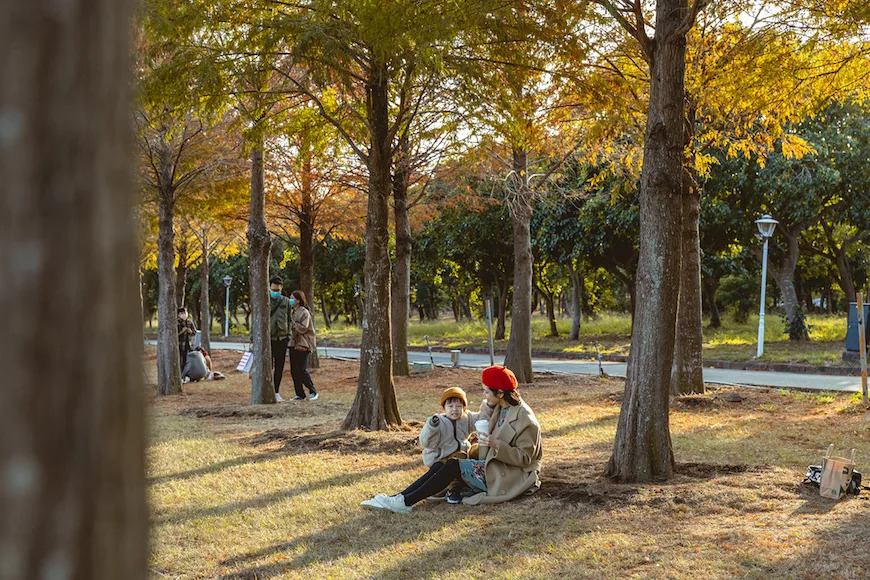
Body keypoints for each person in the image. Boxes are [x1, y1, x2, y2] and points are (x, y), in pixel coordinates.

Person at [361, 366, 542, 513]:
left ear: (501, 393)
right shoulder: (500, 406)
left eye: (487, 391)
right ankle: (399, 498)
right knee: (442, 464)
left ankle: (405, 502)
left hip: (510, 474)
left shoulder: (525, 420)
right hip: (491, 464)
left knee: (453, 465)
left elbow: (525, 458)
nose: (484, 395)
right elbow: (483, 419)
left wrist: (496, 444)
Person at [418, 386, 493, 503]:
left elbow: (481, 418)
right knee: (459, 457)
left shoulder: (466, 418)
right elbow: (425, 442)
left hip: (461, 455)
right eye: (450, 406)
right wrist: (431, 427)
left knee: (476, 450)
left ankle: (476, 479)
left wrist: (487, 406)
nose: (455, 410)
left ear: (464, 408)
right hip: (440, 459)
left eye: (459, 406)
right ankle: (453, 488)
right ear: (443, 408)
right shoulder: (438, 422)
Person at [288, 290, 318, 401]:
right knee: (293, 370)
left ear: (299, 300)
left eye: (293, 298)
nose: (291, 300)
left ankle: (312, 391)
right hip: (292, 343)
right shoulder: (291, 312)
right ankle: (299, 394)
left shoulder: (304, 312)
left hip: (303, 343)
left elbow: (303, 328)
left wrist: (293, 324)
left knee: (301, 369)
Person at [269, 276, 291, 402]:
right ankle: (268, 389)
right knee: (268, 366)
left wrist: (289, 336)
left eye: (278, 290)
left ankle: (276, 391)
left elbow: (290, 320)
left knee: (279, 367)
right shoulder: (265, 300)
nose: (275, 292)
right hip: (269, 338)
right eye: (273, 289)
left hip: (282, 339)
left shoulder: (286, 302)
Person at [177, 306, 196, 371]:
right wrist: (182, 331)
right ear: (178, 315)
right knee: (180, 361)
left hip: (188, 345)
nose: (184, 314)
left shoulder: (189, 322)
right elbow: (174, 335)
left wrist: (190, 331)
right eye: (182, 313)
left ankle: (186, 374)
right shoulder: (177, 323)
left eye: (185, 312)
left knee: (187, 361)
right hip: (179, 345)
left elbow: (194, 332)